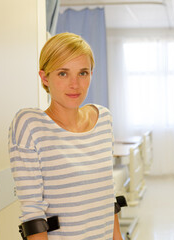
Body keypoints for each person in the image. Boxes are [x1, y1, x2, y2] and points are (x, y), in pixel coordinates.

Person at [8, 33, 123, 240]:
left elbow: (108, 195)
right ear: (45, 77)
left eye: (83, 73)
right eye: (63, 73)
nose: (75, 84)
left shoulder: (103, 118)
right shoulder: (30, 125)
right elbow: (33, 215)